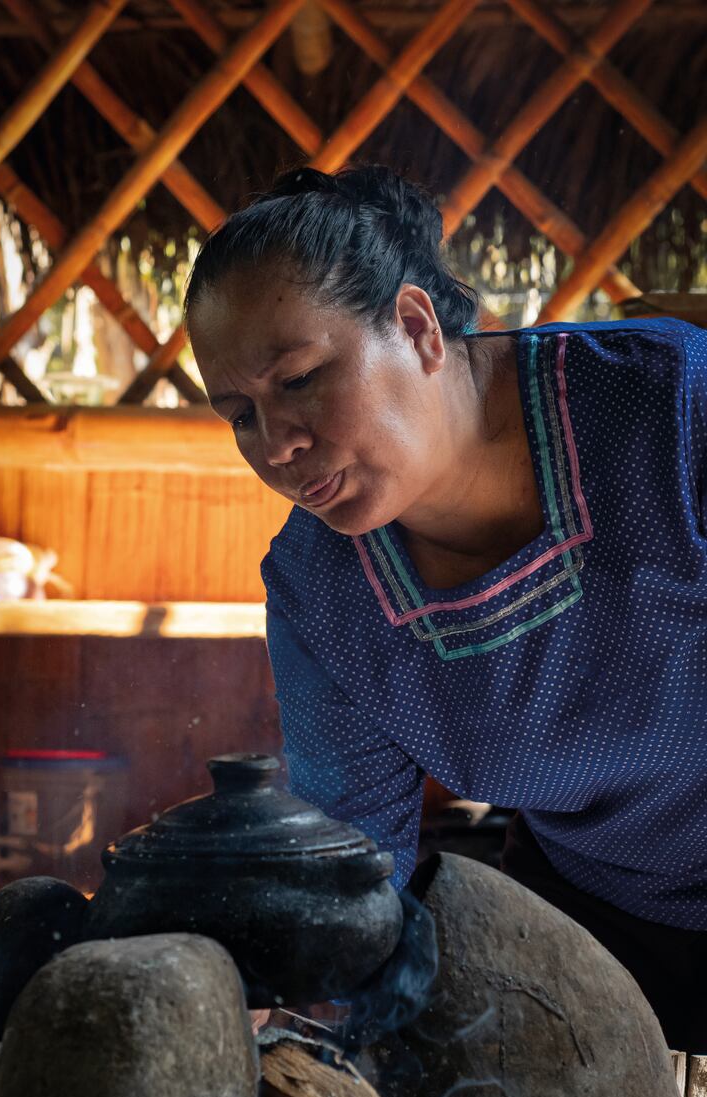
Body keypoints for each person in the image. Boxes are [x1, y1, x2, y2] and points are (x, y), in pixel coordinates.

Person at [184, 164, 707, 1052]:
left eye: (301, 378)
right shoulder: (324, 594)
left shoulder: (666, 408)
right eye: (239, 413)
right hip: (596, 951)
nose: (277, 446)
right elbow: (357, 876)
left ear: (418, 326)